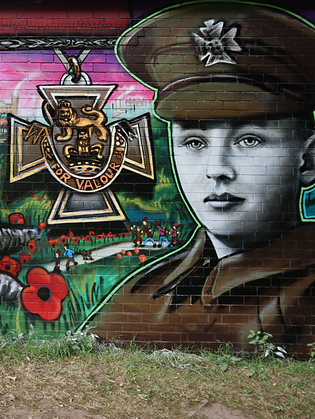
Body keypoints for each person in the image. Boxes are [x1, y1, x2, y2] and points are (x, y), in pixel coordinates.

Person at [89, 2, 315, 356]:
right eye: (194, 142)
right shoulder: (142, 294)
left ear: (308, 160)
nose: (217, 168)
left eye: (249, 139)